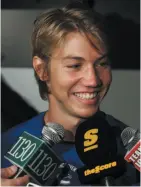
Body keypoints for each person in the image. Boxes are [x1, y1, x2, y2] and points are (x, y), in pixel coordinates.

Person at [1, 2, 139, 186]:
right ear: (42, 70)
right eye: (75, 65)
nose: (93, 80)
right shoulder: (8, 146)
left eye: (102, 64)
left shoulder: (130, 149)